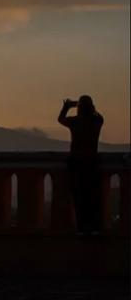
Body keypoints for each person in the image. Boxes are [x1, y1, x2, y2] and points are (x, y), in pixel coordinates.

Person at [58, 95, 104, 234]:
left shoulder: (75, 121)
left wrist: (67, 107)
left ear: (79, 108)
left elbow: (60, 119)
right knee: (92, 197)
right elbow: (100, 116)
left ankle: (82, 228)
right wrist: (91, 108)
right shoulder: (97, 121)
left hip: (76, 162)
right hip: (91, 162)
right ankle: (95, 228)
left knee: (79, 197)